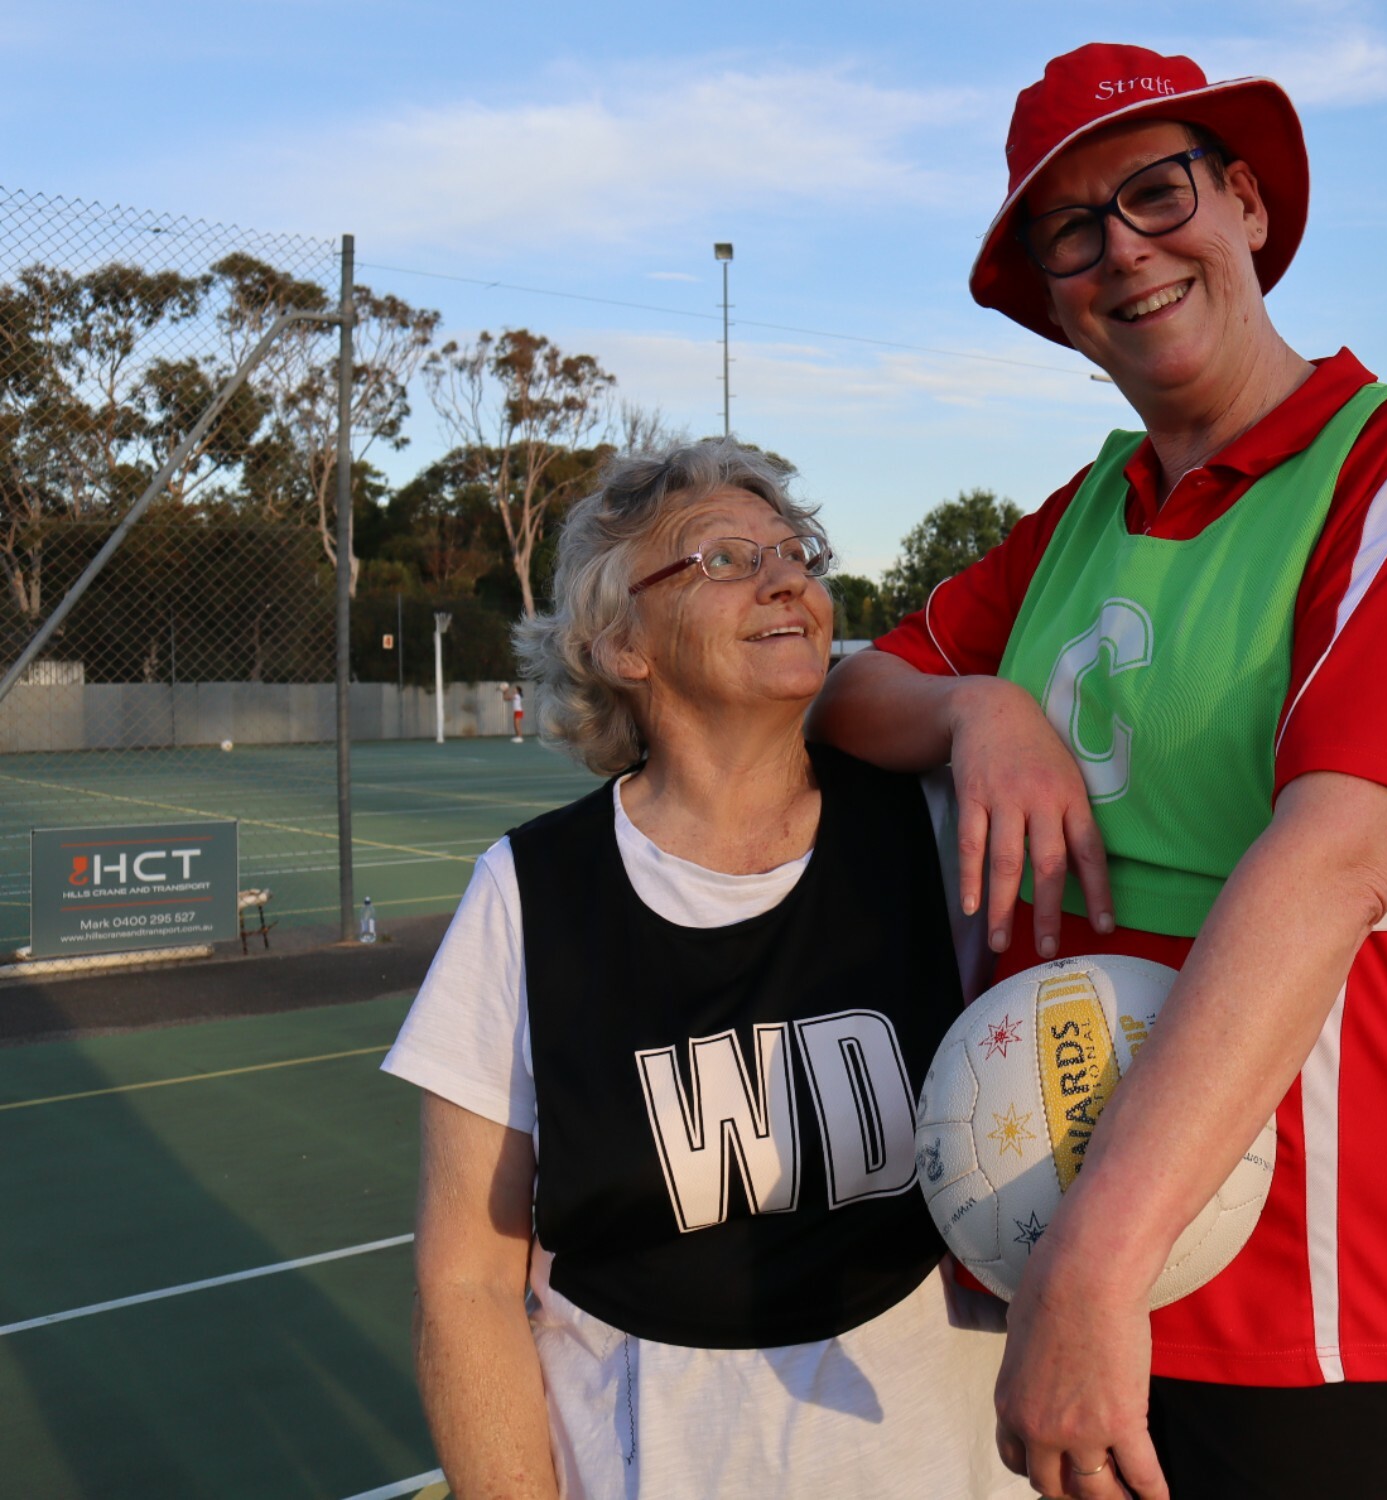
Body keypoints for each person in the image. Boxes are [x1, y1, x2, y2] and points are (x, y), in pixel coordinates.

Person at [809, 43, 1387, 1500]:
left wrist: (1096, 1267)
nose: (1123, 249)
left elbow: (1334, 858)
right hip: (1051, 1176)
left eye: (1155, 192)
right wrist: (978, 711)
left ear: (1246, 204)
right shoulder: (1082, 511)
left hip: (1290, 1227)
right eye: (1073, 230)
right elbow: (856, 692)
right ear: (1058, 305)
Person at [384, 441, 1027, 1500]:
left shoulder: (937, 831)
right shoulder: (531, 891)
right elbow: (464, 1281)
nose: (788, 580)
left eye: (795, 554)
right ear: (620, 643)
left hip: (938, 1453)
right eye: (723, 559)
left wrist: (985, 710)